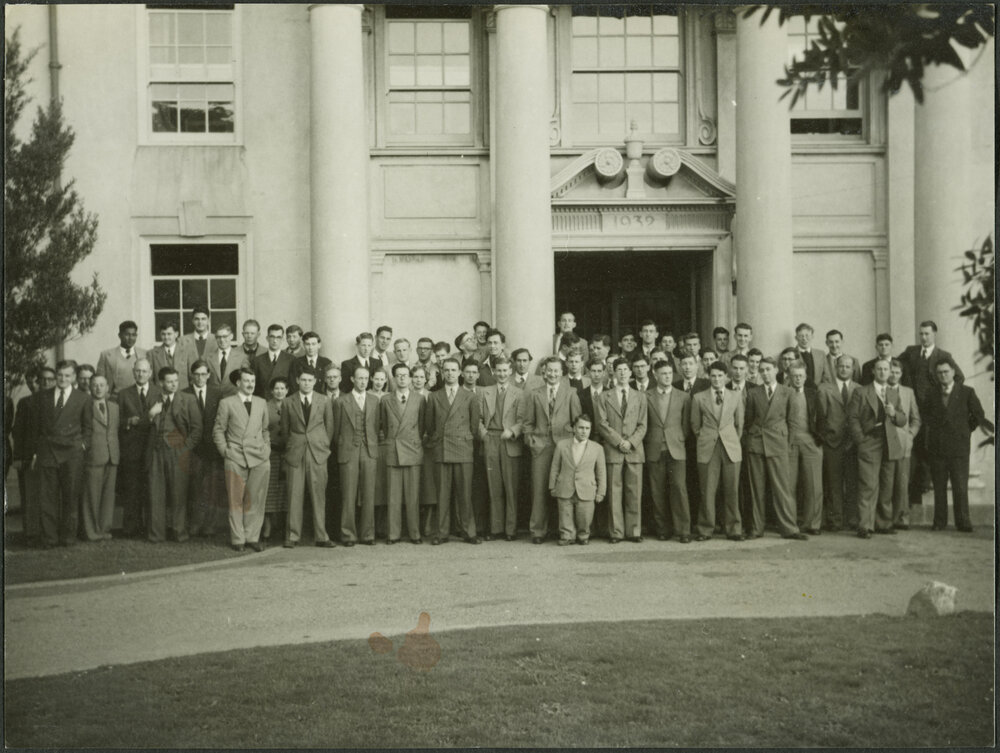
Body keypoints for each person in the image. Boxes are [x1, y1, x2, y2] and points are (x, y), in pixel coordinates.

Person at [899, 321, 965, 514]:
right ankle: (912, 495)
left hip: (933, 413)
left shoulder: (944, 356)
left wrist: (943, 397)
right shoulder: (911, 352)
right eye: (921, 334)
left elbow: (958, 378)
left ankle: (923, 488)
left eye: (927, 334)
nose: (924, 337)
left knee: (930, 451)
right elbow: (894, 364)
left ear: (934, 334)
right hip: (913, 411)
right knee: (913, 451)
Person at [744, 357, 808, 541]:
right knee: (757, 489)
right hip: (757, 444)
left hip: (778, 444)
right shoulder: (753, 392)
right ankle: (756, 528)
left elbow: (793, 422)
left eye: (768, 369)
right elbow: (748, 420)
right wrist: (751, 439)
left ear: (776, 370)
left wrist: (787, 445)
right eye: (761, 370)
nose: (765, 373)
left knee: (782, 488)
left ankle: (789, 528)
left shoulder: (788, 392)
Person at [30, 360, 91, 548]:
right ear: (56, 375)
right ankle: (49, 538)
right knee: (47, 497)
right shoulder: (42, 397)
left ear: (74, 377)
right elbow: (36, 427)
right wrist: (36, 452)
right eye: (60, 375)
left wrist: (82, 446)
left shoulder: (83, 398)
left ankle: (68, 537)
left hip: (72, 453)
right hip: (48, 451)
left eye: (67, 375)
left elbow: (88, 428)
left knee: (70, 497)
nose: (63, 379)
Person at [520, 356, 580, 544]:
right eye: (549, 371)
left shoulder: (571, 393)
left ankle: (565, 531)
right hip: (541, 446)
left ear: (562, 372)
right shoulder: (535, 393)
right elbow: (528, 423)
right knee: (539, 489)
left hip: (564, 447)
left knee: (564, 489)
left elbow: (577, 422)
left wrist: (571, 442)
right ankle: (538, 531)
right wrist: (531, 441)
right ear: (544, 372)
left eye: (556, 370)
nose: (552, 374)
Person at [847, 358, 907, 539]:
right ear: (873, 371)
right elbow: (852, 418)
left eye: (886, 369)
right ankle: (865, 526)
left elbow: (903, 419)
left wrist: (893, 414)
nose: (882, 372)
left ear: (890, 372)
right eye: (879, 369)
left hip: (890, 443)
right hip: (870, 442)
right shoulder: (861, 391)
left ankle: (883, 523)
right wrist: (861, 440)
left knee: (887, 485)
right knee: (868, 485)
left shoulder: (893, 393)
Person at [213, 367, 271, 552]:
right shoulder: (227, 403)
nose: (250, 384)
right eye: (246, 381)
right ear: (238, 383)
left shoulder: (261, 402)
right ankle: (238, 538)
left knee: (256, 499)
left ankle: (252, 537)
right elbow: (218, 430)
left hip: (259, 457)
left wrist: (267, 449)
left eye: (252, 381)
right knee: (235, 499)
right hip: (236, 456)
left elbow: (265, 430)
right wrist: (225, 451)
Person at [424, 357, 481, 545]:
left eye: (453, 370)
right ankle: (442, 533)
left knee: (465, 494)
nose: (450, 373)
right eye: (446, 370)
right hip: (442, 449)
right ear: (442, 372)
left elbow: (474, 427)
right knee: (442, 494)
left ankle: (468, 531)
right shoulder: (434, 397)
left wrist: (464, 439)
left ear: (460, 373)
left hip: (463, 449)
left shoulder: (470, 396)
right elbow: (430, 426)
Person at [924, 360, 985, 532]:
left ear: (953, 372)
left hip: (959, 447)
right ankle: (939, 521)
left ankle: (963, 521)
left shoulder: (966, 392)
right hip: (937, 447)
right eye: (939, 373)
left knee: (960, 486)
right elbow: (926, 415)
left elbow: (979, 415)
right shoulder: (931, 393)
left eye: (946, 372)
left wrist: (964, 429)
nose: (943, 375)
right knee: (939, 487)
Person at [281, 367, 336, 548]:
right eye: (303, 380)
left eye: (309, 380)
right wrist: (292, 445)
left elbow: (329, 426)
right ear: (297, 381)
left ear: (315, 381)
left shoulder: (324, 400)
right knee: (294, 494)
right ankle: (292, 536)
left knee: (318, 495)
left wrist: (324, 445)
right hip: (296, 452)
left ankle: (321, 536)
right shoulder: (288, 402)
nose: (306, 383)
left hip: (317, 452)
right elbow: (285, 429)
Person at [146, 366, 202, 543]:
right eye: (169, 381)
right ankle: (157, 534)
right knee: (156, 493)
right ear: (161, 382)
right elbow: (144, 427)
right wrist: (151, 414)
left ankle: (179, 532)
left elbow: (197, 428)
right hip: (156, 450)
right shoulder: (153, 398)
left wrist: (185, 448)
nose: (173, 384)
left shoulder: (188, 399)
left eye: (176, 381)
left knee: (179, 493)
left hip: (177, 450)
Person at [690, 361, 744, 541]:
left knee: (732, 490)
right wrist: (706, 437)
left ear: (726, 377)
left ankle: (734, 529)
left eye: (720, 375)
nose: (716, 379)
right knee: (707, 490)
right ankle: (705, 529)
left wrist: (730, 439)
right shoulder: (699, 397)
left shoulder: (736, 396)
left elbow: (739, 424)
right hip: (708, 447)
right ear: (708, 377)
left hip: (730, 447)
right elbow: (695, 425)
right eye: (713, 375)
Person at [596, 357, 647, 543]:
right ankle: (616, 532)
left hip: (634, 451)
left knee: (634, 492)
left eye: (626, 369)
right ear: (613, 373)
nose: (623, 373)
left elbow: (643, 424)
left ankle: (634, 531)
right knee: (614, 493)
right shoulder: (604, 397)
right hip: (613, 450)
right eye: (619, 370)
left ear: (631, 372)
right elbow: (602, 424)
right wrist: (619, 442)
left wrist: (631, 442)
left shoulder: (640, 397)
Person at [643, 359, 691, 543]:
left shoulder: (683, 397)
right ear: (655, 375)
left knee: (679, 489)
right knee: (657, 491)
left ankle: (683, 530)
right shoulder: (646, 396)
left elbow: (686, 425)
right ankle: (662, 529)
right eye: (663, 374)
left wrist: (677, 439)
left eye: (670, 373)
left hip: (676, 449)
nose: (667, 377)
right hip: (654, 448)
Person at [333, 364, 379, 545]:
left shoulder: (374, 401)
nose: (363, 382)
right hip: (348, 451)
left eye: (366, 378)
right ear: (352, 379)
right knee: (348, 494)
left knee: (369, 494)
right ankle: (348, 535)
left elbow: (376, 426)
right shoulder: (341, 401)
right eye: (360, 378)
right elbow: (336, 431)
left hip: (369, 451)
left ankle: (368, 534)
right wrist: (345, 446)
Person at [380, 363, 426, 544]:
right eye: (398, 375)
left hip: (412, 449)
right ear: (393, 378)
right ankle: (393, 534)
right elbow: (384, 425)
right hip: (393, 449)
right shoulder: (385, 400)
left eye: (405, 375)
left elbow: (422, 426)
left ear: (410, 378)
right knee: (393, 496)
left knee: (413, 495)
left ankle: (415, 533)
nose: (402, 378)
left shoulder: (419, 399)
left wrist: (414, 440)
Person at [477, 356, 522, 541]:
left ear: (510, 371)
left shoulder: (519, 393)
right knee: (493, 485)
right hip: (491, 439)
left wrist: (512, 431)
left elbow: (524, 420)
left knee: (510, 487)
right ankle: (496, 528)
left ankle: (510, 529)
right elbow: (478, 418)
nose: (502, 374)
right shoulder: (484, 392)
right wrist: (484, 435)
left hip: (509, 441)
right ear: (494, 371)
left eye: (505, 370)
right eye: (499, 370)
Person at [116, 359, 161, 538]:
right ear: (133, 372)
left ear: (150, 373)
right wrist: (128, 421)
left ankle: (151, 528)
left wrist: (144, 419)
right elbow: (117, 421)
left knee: (151, 489)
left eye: (144, 371)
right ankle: (131, 529)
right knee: (132, 489)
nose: (141, 374)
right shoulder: (123, 394)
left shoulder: (159, 392)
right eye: (138, 371)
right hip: (131, 448)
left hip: (153, 446)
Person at [816, 354, 860, 531]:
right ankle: (835, 520)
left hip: (854, 443)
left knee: (852, 482)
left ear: (853, 369)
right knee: (833, 483)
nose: (844, 369)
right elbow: (820, 416)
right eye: (841, 366)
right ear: (835, 367)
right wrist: (826, 438)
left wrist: (856, 439)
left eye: (848, 366)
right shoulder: (824, 388)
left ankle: (853, 519)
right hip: (832, 442)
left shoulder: (859, 389)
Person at [548, 414, 606, 545]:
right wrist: (552, 486)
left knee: (585, 516)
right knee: (565, 514)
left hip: (587, 488)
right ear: (574, 428)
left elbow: (601, 472)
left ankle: (583, 535)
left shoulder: (597, 448)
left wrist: (601, 492)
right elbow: (555, 467)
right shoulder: (562, 445)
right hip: (565, 486)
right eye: (580, 428)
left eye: (587, 428)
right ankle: (567, 535)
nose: (584, 431)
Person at [183, 359, 225, 537]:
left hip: (213, 448)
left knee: (213, 488)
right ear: (191, 376)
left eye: (203, 374)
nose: (200, 378)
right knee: (194, 488)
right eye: (196, 374)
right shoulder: (184, 394)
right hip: (193, 449)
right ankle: (195, 523)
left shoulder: (217, 393)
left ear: (208, 375)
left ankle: (210, 525)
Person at [784, 361, 824, 536]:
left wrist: (819, 439)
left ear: (806, 377)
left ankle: (812, 524)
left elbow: (822, 417)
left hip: (810, 441)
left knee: (814, 485)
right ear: (789, 377)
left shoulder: (813, 394)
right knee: (788, 484)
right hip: (789, 442)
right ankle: (790, 524)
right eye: (794, 376)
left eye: (800, 376)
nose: (797, 379)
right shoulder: (784, 394)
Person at [81, 375, 119, 541]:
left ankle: (104, 529)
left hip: (112, 456)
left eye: (102, 385)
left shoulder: (115, 407)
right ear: (90, 387)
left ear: (107, 388)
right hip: (93, 456)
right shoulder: (85, 406)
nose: (98, 388)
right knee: (91, 496)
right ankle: (91, 531)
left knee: (108, 496)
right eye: (95, 385)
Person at [887, 359, 921, 529]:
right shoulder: (881, 389)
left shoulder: (908, 392)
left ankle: (902, 518)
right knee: (886, 483)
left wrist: (910, 435)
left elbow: (916, 419)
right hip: (885, 442)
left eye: (897, 372)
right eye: (891, 372)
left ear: (901, 374)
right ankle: (885, 519)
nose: (893, 375)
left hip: (903, 443)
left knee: (902, 483)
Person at [262, 376, 290, 543]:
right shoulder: (265, 407)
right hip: (271, 453)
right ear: (272, 391)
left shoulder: (292, 405)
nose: (279, 392)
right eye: (276, 388)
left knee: (286, 490)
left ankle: (285, 527)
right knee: (269, 490)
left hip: (288, 453)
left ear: (287, 390)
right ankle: (267, 527)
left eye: (282, 388)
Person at [96, 320, 145, 395]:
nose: (131, 338)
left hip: (137, 397)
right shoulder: (106, 355)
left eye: (133, 335)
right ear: (119, 335)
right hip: (114, 398)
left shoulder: (144, 354)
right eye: (127, 334)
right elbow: (99, 380)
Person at [254, 324, 296, 398]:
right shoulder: (257, 360)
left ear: (282, 339)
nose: (275, 341)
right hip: (263, 402)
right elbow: (255, 388)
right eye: (272, 337)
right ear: (267, 338)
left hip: (284, 402)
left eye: (278, 337)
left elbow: (293, 388)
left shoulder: (291, 359)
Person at [149, 322, 192, 391]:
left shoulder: (187, 352)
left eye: (169, 334)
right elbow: (150, 379)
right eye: (163, 334)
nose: (166, 337)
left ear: (176, 334)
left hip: (183, 393)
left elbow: (192, 376)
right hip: (161, 393)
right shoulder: (152, 353)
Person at [208, 323, 249, 396]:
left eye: (225, 336)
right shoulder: (208, 358)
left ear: (231, 336)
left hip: (233, 398)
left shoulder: (242, 357)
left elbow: (246, 380)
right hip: (212, 399)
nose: (222, 340)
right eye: (218, 337)